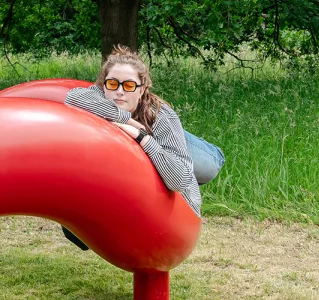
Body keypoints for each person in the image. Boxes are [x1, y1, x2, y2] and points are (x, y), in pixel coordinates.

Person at [61, 46, 224, 245]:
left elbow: (180, 180)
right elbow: (72, 97)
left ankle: (190, 144)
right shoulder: (96, 96)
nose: (119, 92)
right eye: (112, 83)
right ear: (102, 85)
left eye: (129, 86)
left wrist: (143, 137)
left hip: (158, 134)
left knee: (208, 166)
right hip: (134, 129)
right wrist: (125, 120)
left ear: (142, 89)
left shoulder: (161, 115)